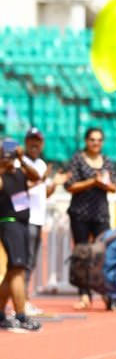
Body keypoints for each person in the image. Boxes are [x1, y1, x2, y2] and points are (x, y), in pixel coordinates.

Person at [65, 126, 116, 309]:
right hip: (80, 213)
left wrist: (103, 184)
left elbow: (114, 186)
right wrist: (92, 182)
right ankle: (84, 294)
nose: (95, 143)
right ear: (86, 141)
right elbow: (70, 185)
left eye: (99, 140)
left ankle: (105, 293)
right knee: (82, 255)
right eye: (92, 139)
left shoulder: (107, 161)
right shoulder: (78, 159)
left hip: (100, 214)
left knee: (103, 254)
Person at [0, 136, 41, 332]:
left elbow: (36, 177)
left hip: (22, 224)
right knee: (17, 271)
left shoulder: (19, 171)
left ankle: (0, 314)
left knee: (10, 274)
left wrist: (22, 159)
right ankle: (21, 315)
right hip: (9, 224)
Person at [21, 127, 53, 315]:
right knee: (24, 261)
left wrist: (54, 183)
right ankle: (22, 301)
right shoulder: (20, 163)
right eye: (31, 140)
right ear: (25, 142)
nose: (34, 144)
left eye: (38, 141)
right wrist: (41, 180)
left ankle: (24, 298)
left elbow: (44, 192)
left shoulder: (41, 163)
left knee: (31, 261)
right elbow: (22, 187)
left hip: (38, 218)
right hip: (26, 218)